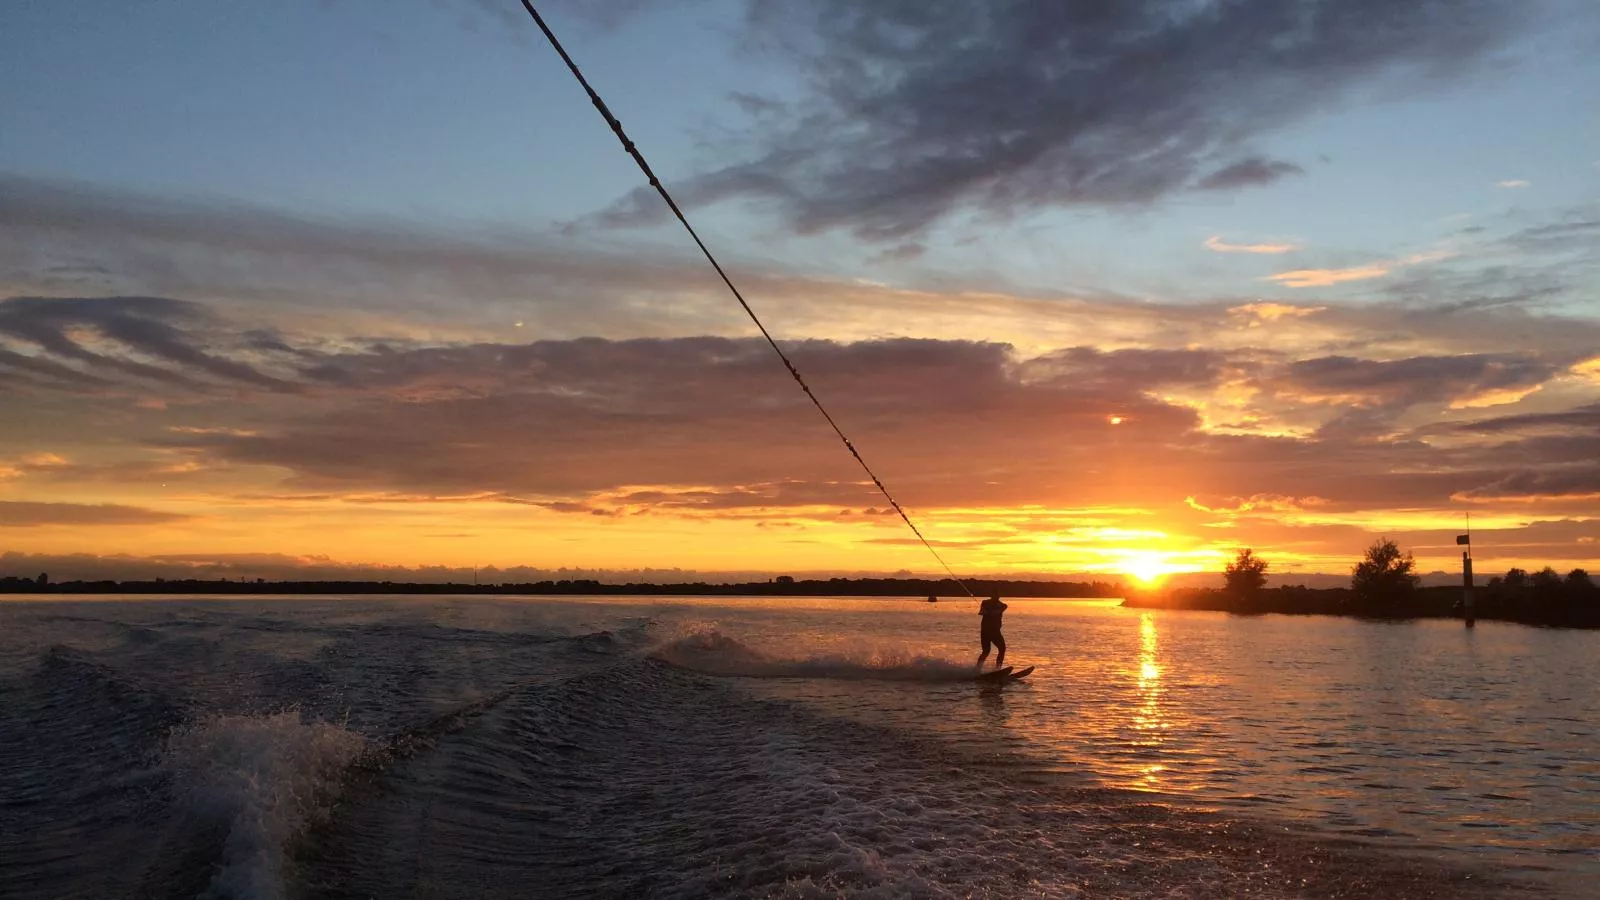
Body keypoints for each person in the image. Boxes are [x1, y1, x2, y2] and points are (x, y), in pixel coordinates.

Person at [976, 594, 1007, 669]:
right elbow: (981, 612)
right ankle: (977, 669)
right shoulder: (985, 602)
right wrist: (985, 611)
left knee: (1002, 648)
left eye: (997, 594)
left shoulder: (1003, 605)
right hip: (985, 631)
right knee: (986, 651)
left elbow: (998, 611)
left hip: (995, 632)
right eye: (994, 594)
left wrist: (990, 612)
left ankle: (998, 668)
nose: (995, 596)